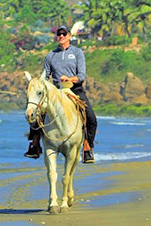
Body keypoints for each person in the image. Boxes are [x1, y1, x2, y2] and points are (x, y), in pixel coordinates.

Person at [24, 25, 97, 163]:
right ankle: (34, 144)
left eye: (64, 34)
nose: (61, 36)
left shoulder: (77, 53)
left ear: (69, 36)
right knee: (36, 113)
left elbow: (81, 75)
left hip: (74, 89)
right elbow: (45, 77)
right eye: (59, 34)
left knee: (91, 117)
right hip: (56, 91)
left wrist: (70, 79)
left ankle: (88, 147)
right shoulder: (50, 56)